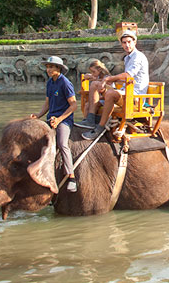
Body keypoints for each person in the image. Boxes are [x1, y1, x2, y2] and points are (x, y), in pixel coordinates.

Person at [82, 29, 149, 140]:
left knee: (110, 93)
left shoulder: (138, 57)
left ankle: (100, 128)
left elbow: (128, 75)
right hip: (126, 90)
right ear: (121, 44)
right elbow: (126, 79)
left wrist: (110, 78)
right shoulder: (128, 58)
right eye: (124, 42)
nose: (127, 45)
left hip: (135, 96)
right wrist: (108, 80)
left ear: (134, 42)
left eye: (129, 42)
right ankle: (90, 119)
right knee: (94, 84)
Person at [29, 56, 78, 192]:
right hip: (51, 118)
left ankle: (71, 177)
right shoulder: (50, 82)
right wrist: (38, 115)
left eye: (51, 67)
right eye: (47, 67)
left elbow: (74, 105)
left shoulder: (65, 83)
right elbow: (47, 103)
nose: (48, 70)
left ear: (59, 68)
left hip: (64, 120)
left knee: (62, 144)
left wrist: (60, 119)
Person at [74, 59, 112, 129]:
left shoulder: (106, 78)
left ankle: (90, 121)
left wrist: (94, 79)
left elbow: (105, 88)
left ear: (100, 70)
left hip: (106, 99)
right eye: (91, 72)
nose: (92, 74)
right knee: (87, 105)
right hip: (99, 99)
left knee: (91, 104)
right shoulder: (96, 77)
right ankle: (86, 120)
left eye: (93, 72)